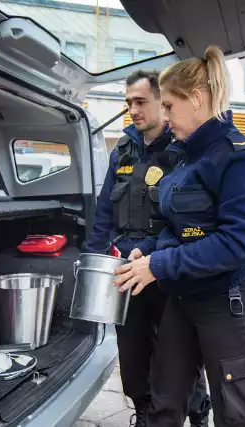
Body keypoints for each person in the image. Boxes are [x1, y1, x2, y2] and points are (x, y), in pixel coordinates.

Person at [113, 46, 245, 427]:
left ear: (198, 100)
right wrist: (147, 251)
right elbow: (177, 227)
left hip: (229, 300)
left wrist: (159, 264)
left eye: (169, 106)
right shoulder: (185, 158)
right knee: (164, 402)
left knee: (234, 411)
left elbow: (235, 246)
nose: (164, 117)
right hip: (183, 296)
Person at [81, 70, 211, 427]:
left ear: (161, 101)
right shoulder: (122, 149)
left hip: (166, 265)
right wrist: (93, 259)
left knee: (178, 352)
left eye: (141, 101)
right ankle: (144, 411)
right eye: (128, 103)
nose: (133, 110)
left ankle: (197, 409)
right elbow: (105, 209)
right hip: (126, 266)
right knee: (134, 350)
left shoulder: (181, 149)